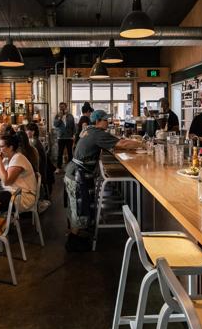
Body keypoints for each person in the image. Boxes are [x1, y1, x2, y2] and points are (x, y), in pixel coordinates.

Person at [64, 110, 141, 251]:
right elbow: (122, 144)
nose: (108, 122)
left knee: (76, 206)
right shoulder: (98, 134)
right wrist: (141, 144)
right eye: (106, 120)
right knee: (78, 207)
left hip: (73, 171)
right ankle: (73, 243)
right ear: (98, 121)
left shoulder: (89, 130)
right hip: (77, 174)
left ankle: (76, 236)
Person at [0, 134, 37, 212]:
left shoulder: (18, 158)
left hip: (23, 197)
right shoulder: (6, 159)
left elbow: (6, 181)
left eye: (2, 147)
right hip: (12, 193)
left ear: (11, 147)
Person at [53, 102, 75, 172]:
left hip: (69, 137)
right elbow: (55, 125)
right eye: (60, 107)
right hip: (61, 137)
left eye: (63, 107)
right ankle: (58, 167)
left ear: (66, 107)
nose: (61, 108)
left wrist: (74, 135)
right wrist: (60, 117)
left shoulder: (70, 116)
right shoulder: (57, 116)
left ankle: (70, 168)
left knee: (70, 153)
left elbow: (73, 126)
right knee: (60, 153)